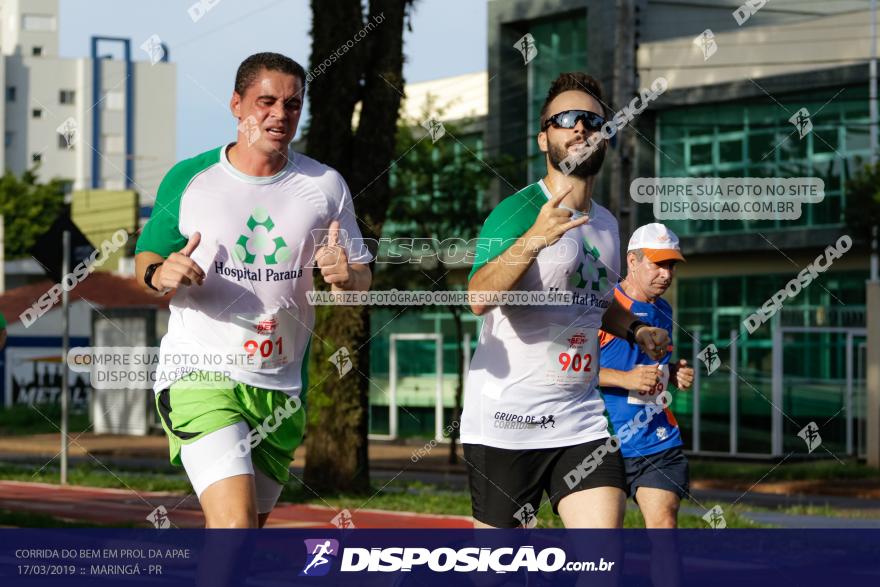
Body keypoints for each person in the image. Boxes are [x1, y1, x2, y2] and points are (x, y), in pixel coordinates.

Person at [134, 52, 372, 528]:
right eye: (266, 102)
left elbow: (360, 285)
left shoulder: (326, 186)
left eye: (293, 104)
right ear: (237, 104)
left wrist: (346, 277)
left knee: (244, 541)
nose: (279, 115)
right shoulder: (191, 179)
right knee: (235, 525)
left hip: (281, 386)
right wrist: (162, 274)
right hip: (199, 375)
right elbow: (147, 260)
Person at [461, 72, 670, 529]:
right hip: (506, 423)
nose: (581, 128)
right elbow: (477, 296)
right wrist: (534, 238)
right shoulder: (516, 211)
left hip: (579, 421)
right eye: (566, 119)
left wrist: (636, 328)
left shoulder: (607, 225)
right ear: (544, 138)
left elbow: (594, 301)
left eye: (593, 122)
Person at [598, 222, 695, 528]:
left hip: (656, 441)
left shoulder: (664, 310)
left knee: (664, 527)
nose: (666, 274)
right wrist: (624, 379)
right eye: (658, 264)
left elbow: (651, 371)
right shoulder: (601, 306)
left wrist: (674, 373)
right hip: (601, 443)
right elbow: (567, 370)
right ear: (632, 261)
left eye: (671, 266)